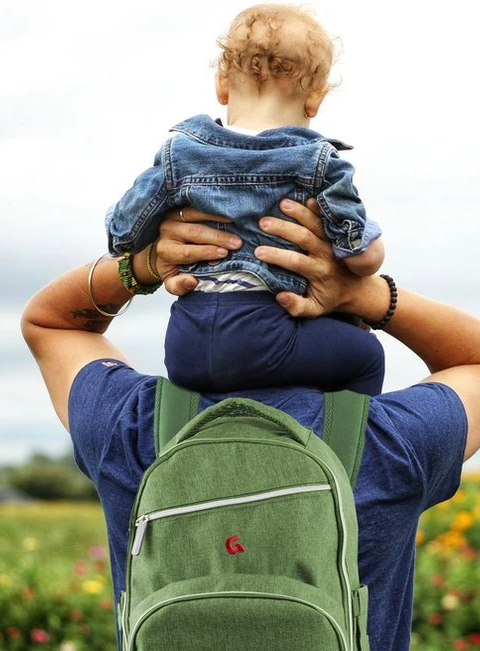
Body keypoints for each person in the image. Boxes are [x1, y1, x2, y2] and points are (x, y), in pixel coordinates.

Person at [20, 199, 480, 651]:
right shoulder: (392, 441)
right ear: (339, 324)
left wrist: (142, 266)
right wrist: (367, 293)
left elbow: (52, 324)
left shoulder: (131, 427)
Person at [105, 3, 386, 396]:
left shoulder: (179, 153)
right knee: (366, 355)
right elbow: (360, 257)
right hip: (267, 336)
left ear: (221, 85)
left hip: (185, 342)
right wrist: (370, 245)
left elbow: (124, 234)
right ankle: (338, 449)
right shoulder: (319, 162)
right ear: (315, 100)